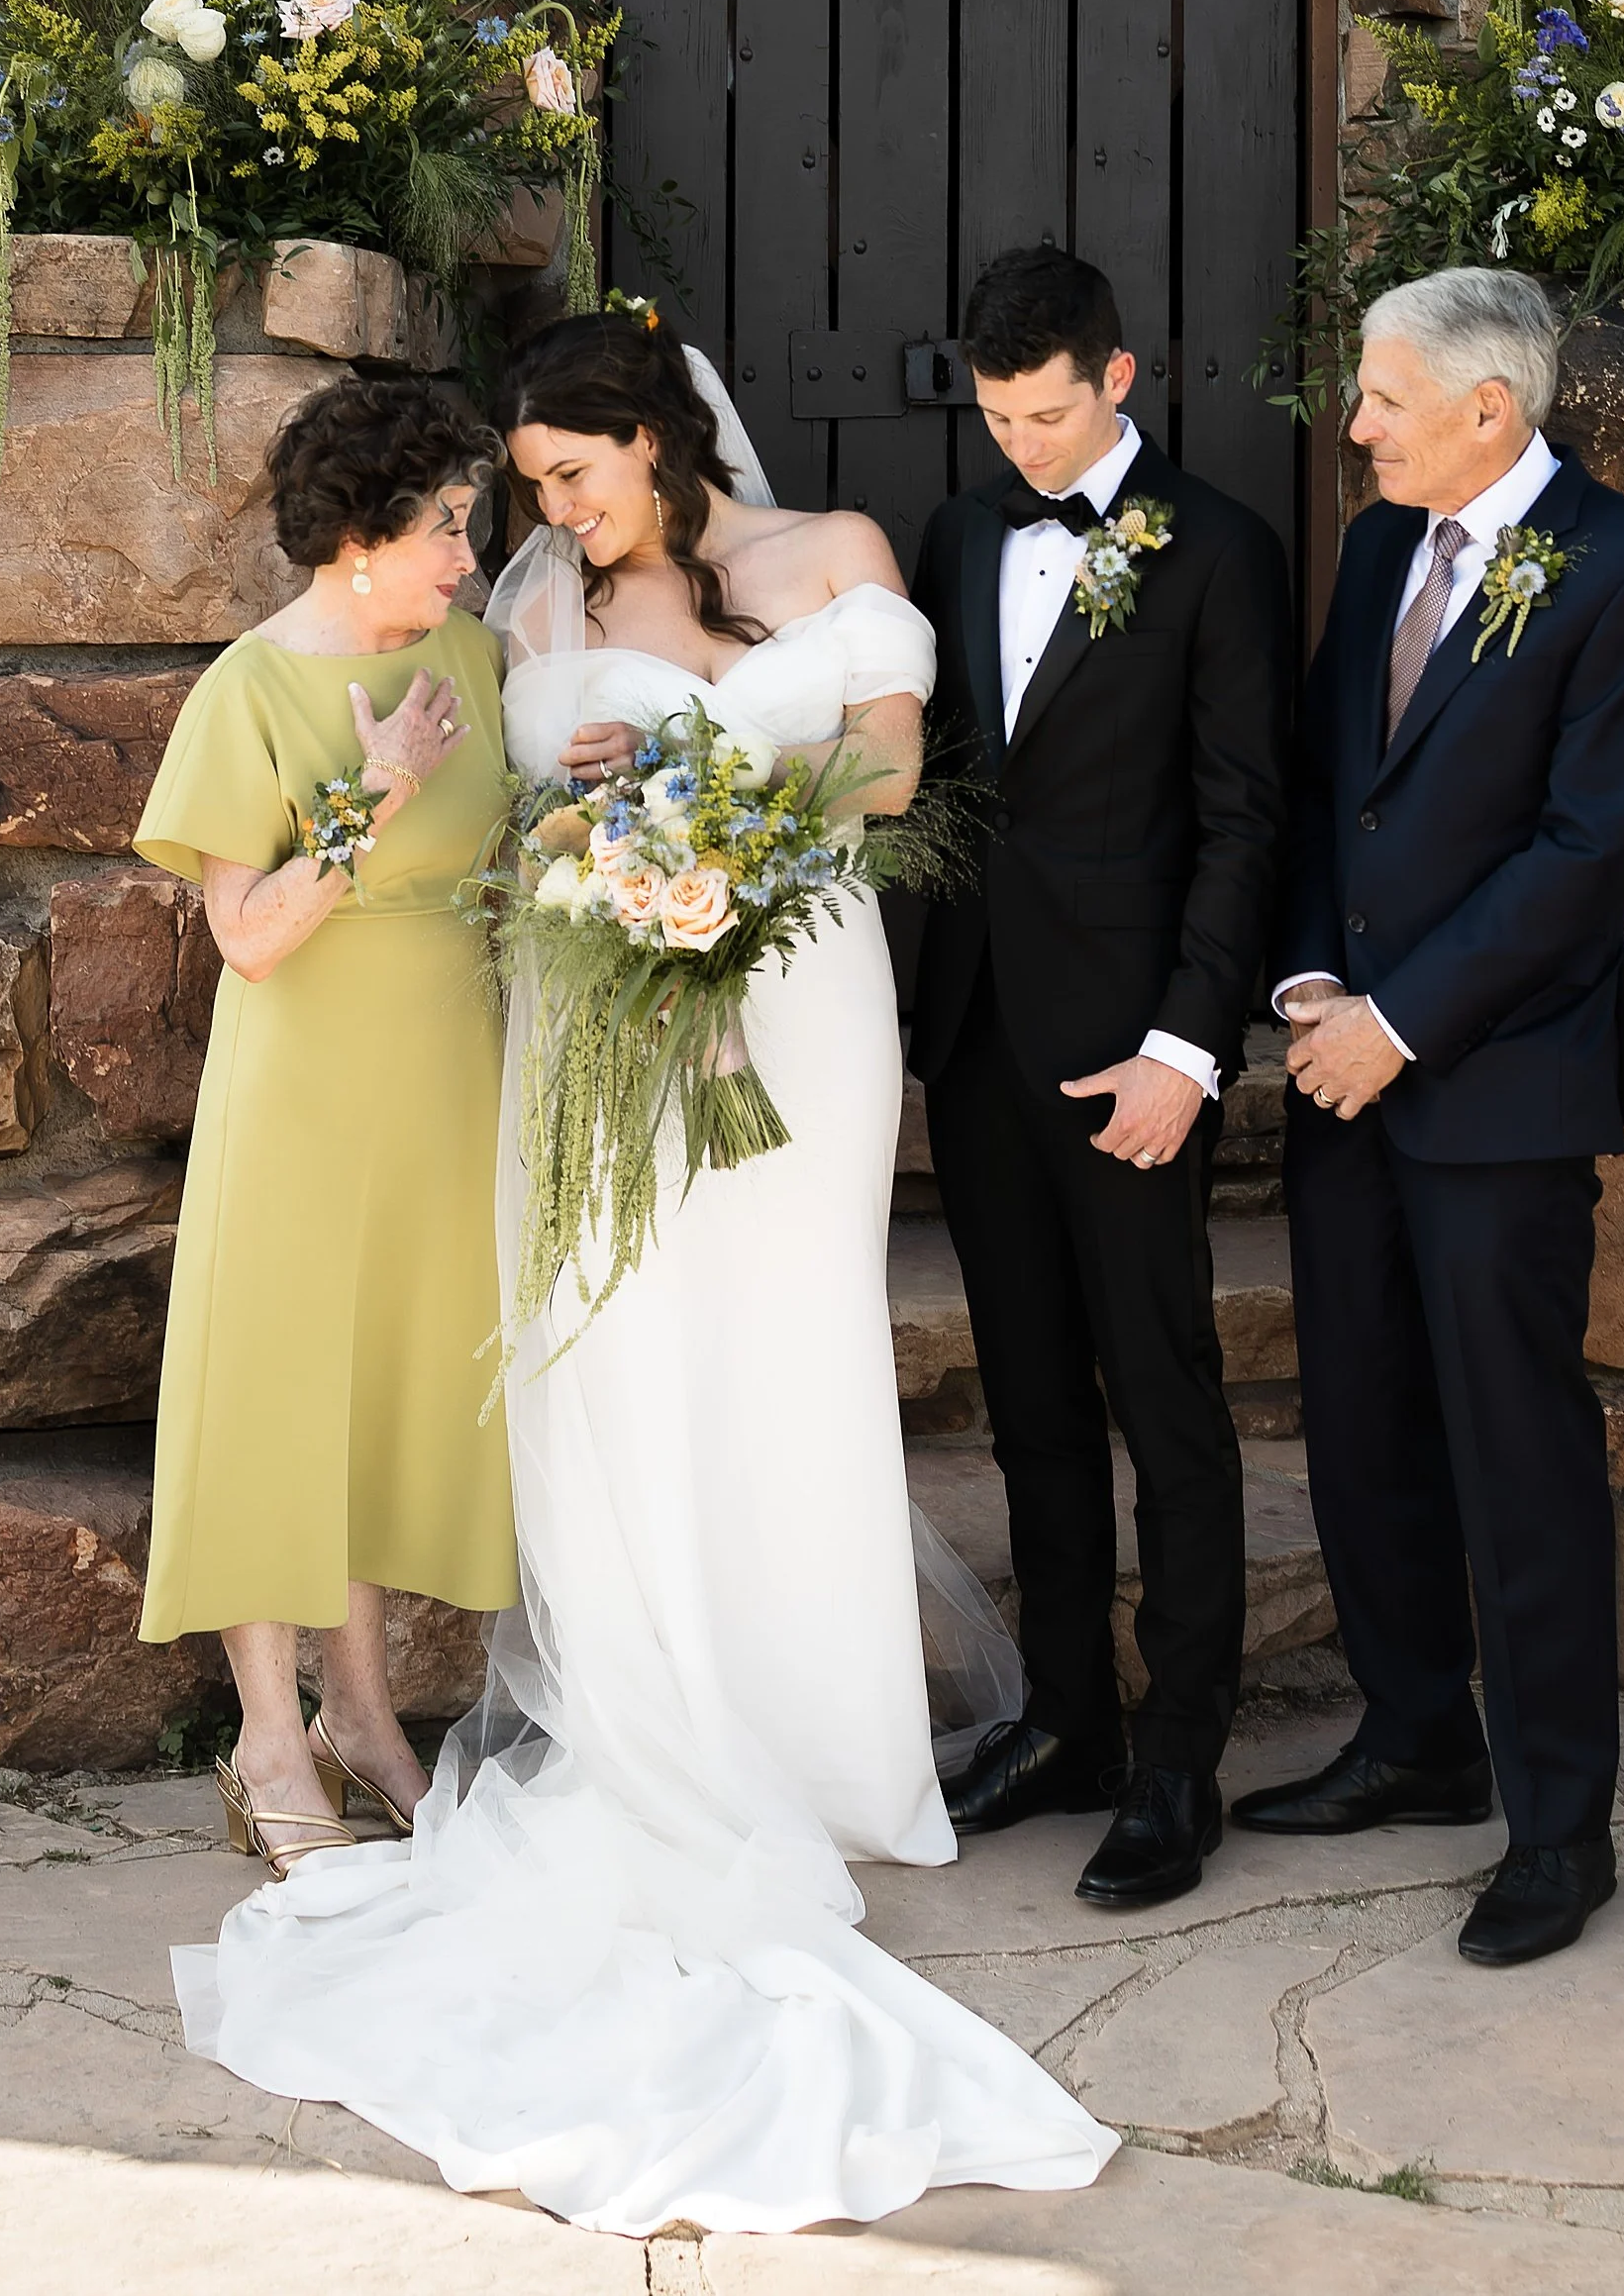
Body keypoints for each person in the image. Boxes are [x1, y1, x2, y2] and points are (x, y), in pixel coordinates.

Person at [170, 303, 1114, 2234]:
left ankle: (811, 1735)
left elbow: (883, 765)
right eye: (523, 491)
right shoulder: (523, 618)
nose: (554, 516)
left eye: (572, 475)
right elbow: (482, 834)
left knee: (786, 1356)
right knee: (613, 1357)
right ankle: (638, 1710)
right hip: (598, 1017)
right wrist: (588, 803)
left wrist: (712, 813)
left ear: (659, 439)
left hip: (795, 1007)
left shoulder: (826, 557)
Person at [1236, 266, 1624, 1967]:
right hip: (1338, 1062)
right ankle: (1416, 1734)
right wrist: (1304, 994)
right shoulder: (1377, 552)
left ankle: (1560, 1824)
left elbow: (1584, 856)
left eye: (1378, 396)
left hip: (1496, 1083)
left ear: (1486, 412)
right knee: (1358, 1421)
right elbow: (1322, 790)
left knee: (1517, 1449)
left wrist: (1402, 1026)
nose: (1351, 424)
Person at [910, 246, 1290, 1912]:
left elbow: (1245, 822)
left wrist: (1189, 1050)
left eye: (1050, 412)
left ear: (1119, 379)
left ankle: (1180, 1754)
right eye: (999, 417)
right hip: (986, 1040)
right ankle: (1066, 1714)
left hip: (1139, 1051)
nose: (1025, 447)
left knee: (1168, 1401)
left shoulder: (1222, 552)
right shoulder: (957, 533)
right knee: (1034, 1407)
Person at [136, 374, 517, 1878]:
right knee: (278, 1391)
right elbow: (249, 936)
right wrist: (376, 793)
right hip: (300, 1080)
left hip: (443, 1074)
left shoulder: (475, 654)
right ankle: (267, 1740)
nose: (467, 556)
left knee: (382, 1393)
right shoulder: (247, 686)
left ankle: (363, 1711)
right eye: (444, 526)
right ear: (359, 536)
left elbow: (513, 837)